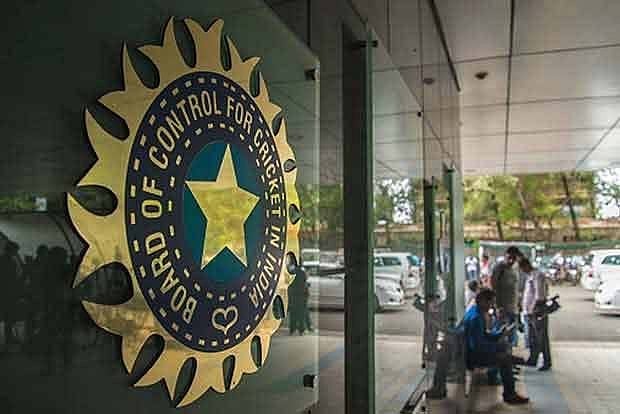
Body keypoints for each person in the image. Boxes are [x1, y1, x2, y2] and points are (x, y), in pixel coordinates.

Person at [464, 288, 529, 405]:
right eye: (491, 302)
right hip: (474, 357)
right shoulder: (476, 318)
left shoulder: (475, 312)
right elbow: (478, 346)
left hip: (475, 351)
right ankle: (509, 394)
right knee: (505, 360)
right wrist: (497, 349)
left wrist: (500, 334)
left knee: (504, 348)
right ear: (483, 301)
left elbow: (484, 335)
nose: (492, 306)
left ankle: (499, 376)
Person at [518, 257, 551, 370]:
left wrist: (533, 310)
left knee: (541, 338)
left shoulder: (538, 276)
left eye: (522, 268)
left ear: (526, 266)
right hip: (529, 312)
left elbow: (540, 296)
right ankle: (533, 359)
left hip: (537, 311)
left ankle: (547, 362)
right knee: (532, 338)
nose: (522, 271)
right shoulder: (530, 276)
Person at [490, 246, 523, 345]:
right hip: (502, 309)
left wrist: (519, 304)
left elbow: (516, 288)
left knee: (512, 337)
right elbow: (493, 287)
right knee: (501, 335)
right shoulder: (499, 268)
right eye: (510, 257)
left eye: (514, 258)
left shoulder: (515, 269)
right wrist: (496, 306)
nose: (511, 260)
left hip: (513, 308)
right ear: (505, 256)